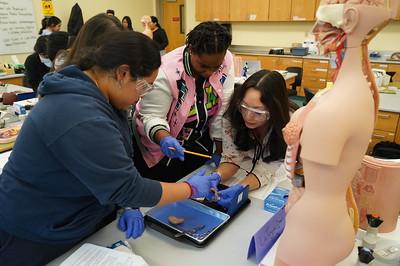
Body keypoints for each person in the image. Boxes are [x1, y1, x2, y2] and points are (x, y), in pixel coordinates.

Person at [0, 31, 220, 266]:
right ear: (123, 73)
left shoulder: (100, 96)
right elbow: (127, 188)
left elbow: (115, 163)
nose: (142, 97)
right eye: (145, 87)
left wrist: (123, 204)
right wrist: (190, 188)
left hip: (73, 216)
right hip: (33, 228)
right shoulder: (80, 113)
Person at [274, 1, 398, 265]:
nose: (314, 32)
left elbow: (316, 189)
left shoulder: (333, 110)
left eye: (322, 22)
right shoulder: (359, 93)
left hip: (311, 236)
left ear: (350, 19)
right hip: (334, 226)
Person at [133, 21, 234, 183]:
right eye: (203, 66)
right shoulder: (165, 71)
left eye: (215, 67)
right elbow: (152, 116)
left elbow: (224, 106)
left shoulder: (226, 59)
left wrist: (220, 147)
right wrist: (164, 138)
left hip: (198, 140)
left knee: (197, 184)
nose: (209, 73)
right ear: (191, 50)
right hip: (164, 147)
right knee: (169, 192)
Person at [211, 70, 291, 202]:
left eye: (258, 112)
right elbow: (232, 157)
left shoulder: (288, 126)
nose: (248, 117)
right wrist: (215, 177)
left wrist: (241, 187)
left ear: (274, 109)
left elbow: (269, 168)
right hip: (246, 167)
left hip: (281, 177)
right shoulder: (232, 116)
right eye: (244, 106)